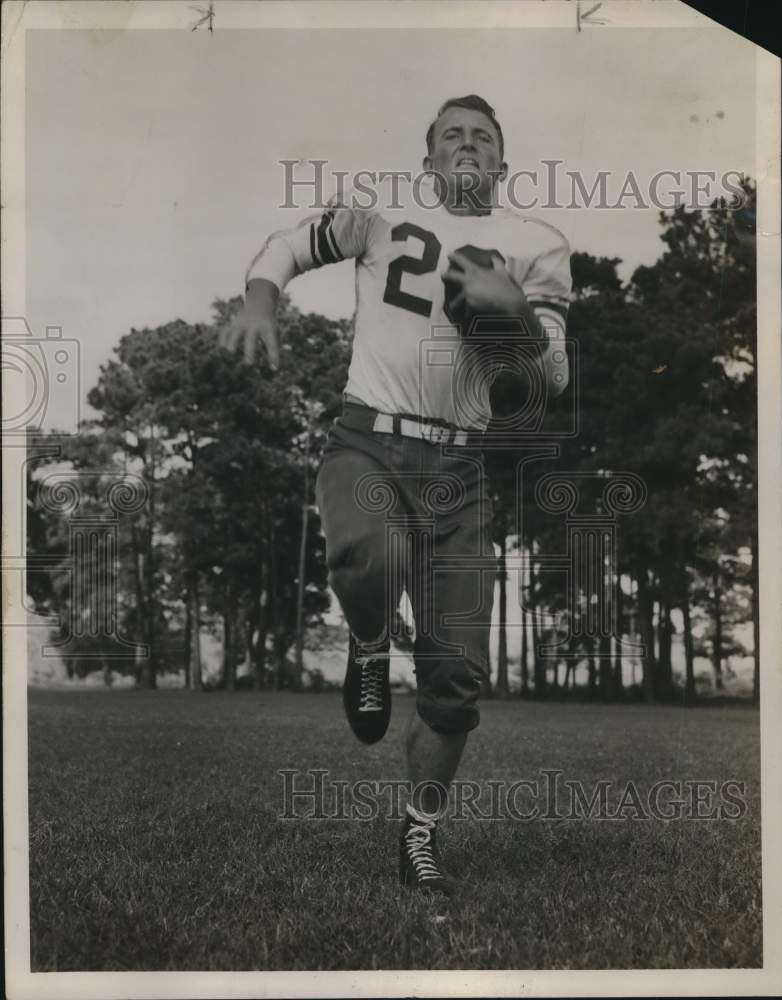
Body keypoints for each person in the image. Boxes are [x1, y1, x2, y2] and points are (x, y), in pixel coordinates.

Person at [223, 95, 571, 895]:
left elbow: (547, 381)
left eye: (481, 137)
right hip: (367, 438)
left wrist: (514, 314)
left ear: (500, 164)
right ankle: (372, 646)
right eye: (450, 134)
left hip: (460, 472)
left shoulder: (537, 245)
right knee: (363, 544)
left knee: (455, 681)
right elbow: (287, 245)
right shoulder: (379, 211)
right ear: (427, 161)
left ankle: (419, 833)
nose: (465, 144)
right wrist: (258, 301)